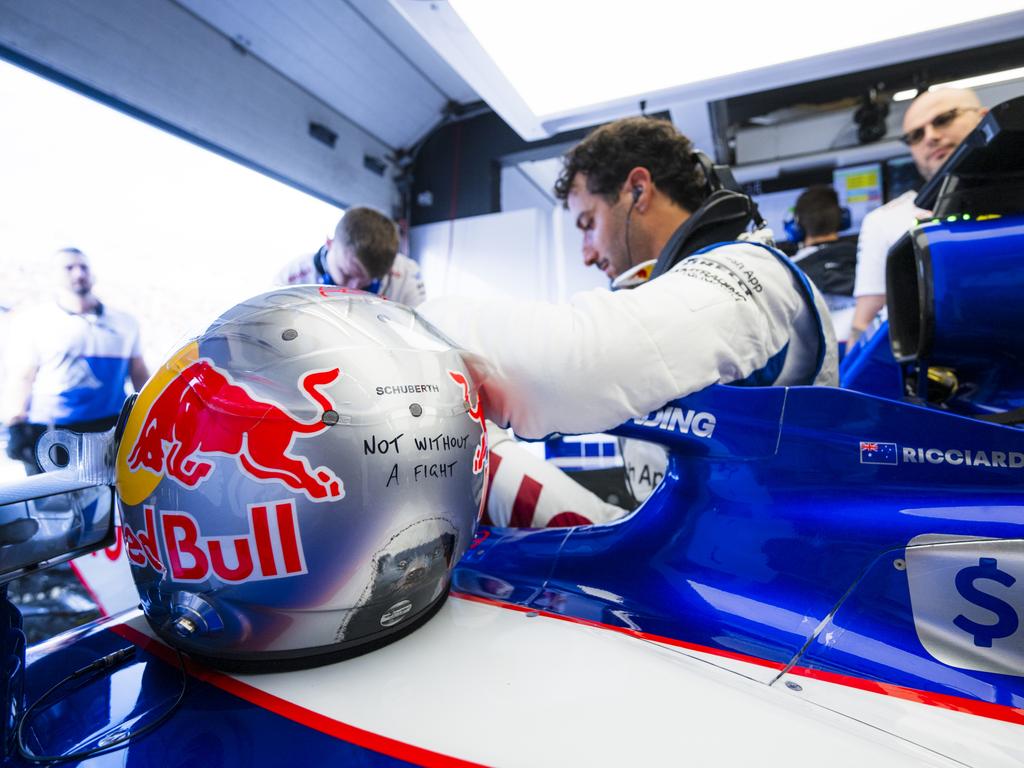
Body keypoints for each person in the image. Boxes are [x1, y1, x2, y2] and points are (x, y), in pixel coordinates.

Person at [418, 117, 838, 526]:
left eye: (588, 224)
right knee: (483, 454)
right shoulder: (681, 287)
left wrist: (412, 324)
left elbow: (579, 366)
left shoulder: (754, 271)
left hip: (757, 566)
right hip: (682, 540)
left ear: (638, 190)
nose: (585, 253)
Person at [849, 88, 987, 344]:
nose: (931, 137)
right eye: (916, 135)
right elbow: (864, 323)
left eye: (944, 119)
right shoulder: (885, 222)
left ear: (983, 117)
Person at [1, 248, 149, 474]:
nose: (78, 273)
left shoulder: (124, 322)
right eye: (69, 267)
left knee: (107, 502)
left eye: (84, 267)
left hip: (110, 430)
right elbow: (22, 377)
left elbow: (139, 372)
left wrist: (154, 411)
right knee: (54, 505)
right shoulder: (34, 321)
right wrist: (15, 424)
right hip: (50, 432)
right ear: (54, 276)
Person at [276, 206, 426, 307]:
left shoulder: (406, 275)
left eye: (366, 283)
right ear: (330, 243)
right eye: (346, 274)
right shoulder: (292, 278)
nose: (353, 288)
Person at [790, 185, 857, 342]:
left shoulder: (788, 270)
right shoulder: (864, 260)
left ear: (797, 226)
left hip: (816, 360)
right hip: (862, 356)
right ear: (843, 220)